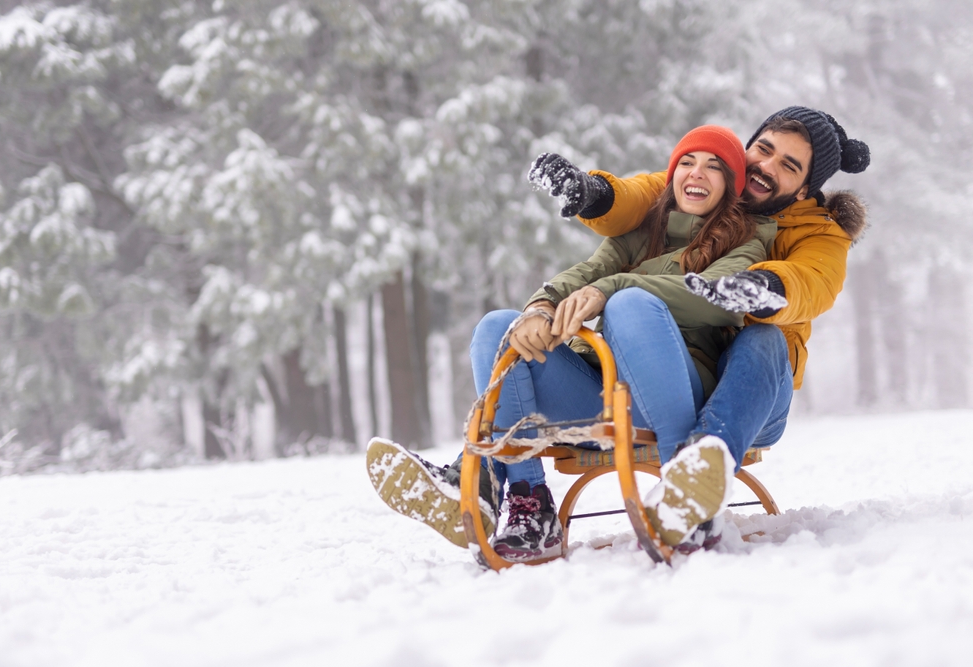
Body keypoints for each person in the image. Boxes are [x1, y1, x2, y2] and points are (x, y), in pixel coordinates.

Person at [367, 125, 777, 561]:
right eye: (688, 163)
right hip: (603, 390)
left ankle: (683, 490)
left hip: (675, 393)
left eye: (715, 167)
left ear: (732, 186)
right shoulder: (643, 231)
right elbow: (586, 271)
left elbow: (712, 299)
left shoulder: (748, 241)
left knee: (630, 304)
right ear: (673, 173)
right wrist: (541, 307)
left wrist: (612, 289)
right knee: (497, 328)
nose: (698, 174)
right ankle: (527, 506)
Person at [531, 106, 869, 550]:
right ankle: (486, 481)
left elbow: (816, 280)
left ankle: (698, 474)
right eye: (763, 150)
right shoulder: (710, 182)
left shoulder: (819, 232)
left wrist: (768, 286)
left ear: (805, 187)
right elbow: (642, 195)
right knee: (531, 336)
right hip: (667, 373)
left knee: (763, 337)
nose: (766, 168)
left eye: (788, 165)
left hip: (749, 394)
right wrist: (594, 193)